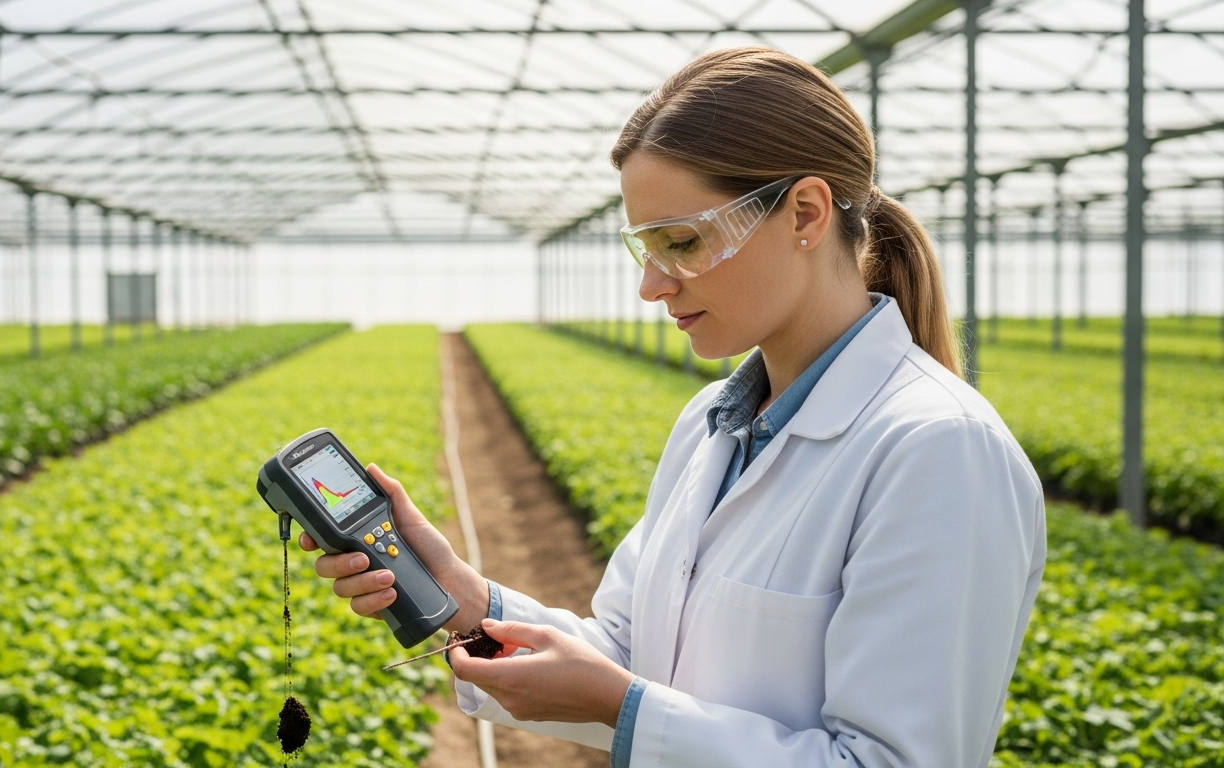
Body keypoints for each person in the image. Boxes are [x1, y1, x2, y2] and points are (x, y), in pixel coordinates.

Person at [300, 47, 1046, 768]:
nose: (652, 286)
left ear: (805, 214)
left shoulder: (939, 452)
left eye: (683, 243)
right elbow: (633, 651)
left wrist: (623, 707)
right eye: (646, 249)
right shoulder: (711, 425)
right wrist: (466, 599)